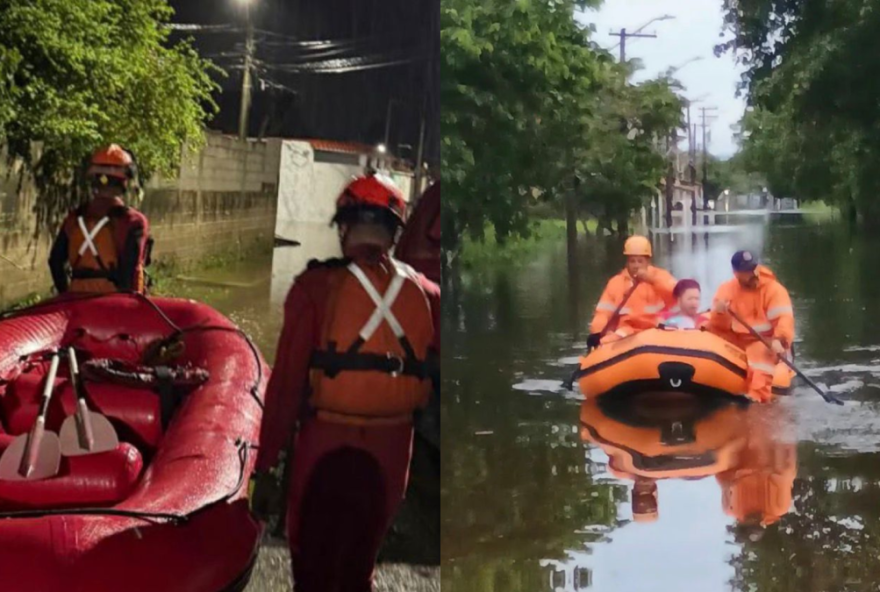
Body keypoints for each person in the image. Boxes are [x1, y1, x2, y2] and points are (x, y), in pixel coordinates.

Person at [254, 174, 441, 592]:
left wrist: (265, 467)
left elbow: (284, 387)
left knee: (311, 565)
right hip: (391, 451)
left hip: (324, 442)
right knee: (359, 563)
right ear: (395, 233)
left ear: (343, 227)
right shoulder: (428, 294)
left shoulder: (314, 288)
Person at [49, 144, 150, 295]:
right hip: (114, 304)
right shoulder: (133, 221)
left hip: (75, 301)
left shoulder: (75, 217)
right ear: (125, 181)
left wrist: (65, 294)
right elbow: (131, 270)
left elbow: (55, 261)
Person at [707, 250, 794, 403]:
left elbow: (784, 319)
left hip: (764, 340)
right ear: (736, 272)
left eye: (753, 268)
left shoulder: (774, 290)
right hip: (735, 338)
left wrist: (779, 340)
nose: (752, 273)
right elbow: (717, 326)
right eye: (746, 271)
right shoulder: (726, 290)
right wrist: (720, 313)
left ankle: (756, 400)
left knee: (761, 358)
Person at [587, 235, 677, 347]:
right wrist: (597, 332)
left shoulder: (660, 276)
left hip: (656, 329)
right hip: (627, 331)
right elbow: (603, 312)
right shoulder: (616, 283)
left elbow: (676, 295)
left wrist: (652, 280)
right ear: (627, 263)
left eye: (640, 261)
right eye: (632, 261)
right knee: (605, 342)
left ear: (648, 261)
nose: (636, 266)